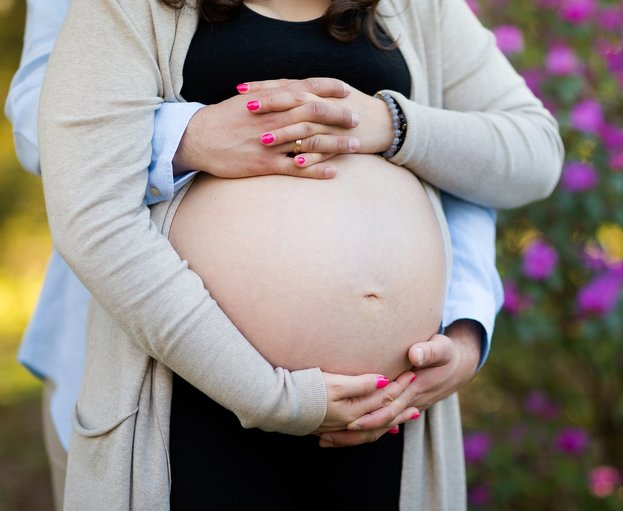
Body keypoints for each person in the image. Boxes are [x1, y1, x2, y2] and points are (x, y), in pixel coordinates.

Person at [37, 0, 563, 509]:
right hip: (191, 408)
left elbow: (535, 151)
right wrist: (270, 396)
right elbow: (93, 214)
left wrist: (393, 124)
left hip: (388, 416)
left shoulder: (414, 6)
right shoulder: (131, 6)